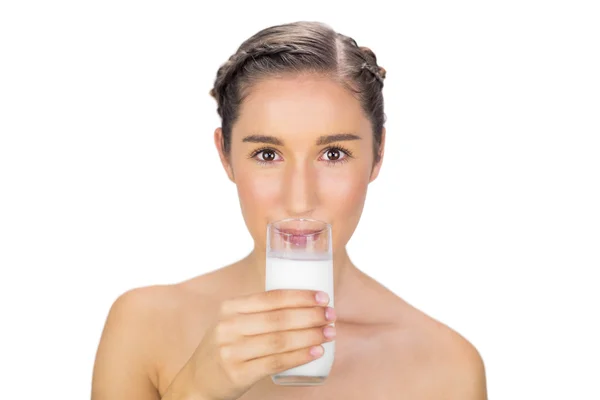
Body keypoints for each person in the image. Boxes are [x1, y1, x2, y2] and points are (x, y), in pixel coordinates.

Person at [91, 20, 487, 400]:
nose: (299, 200)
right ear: (225, 156)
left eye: (334, 154)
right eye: (267, 154)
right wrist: (196, 390)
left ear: (378, 155)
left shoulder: (448, 367)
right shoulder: (144, 326)